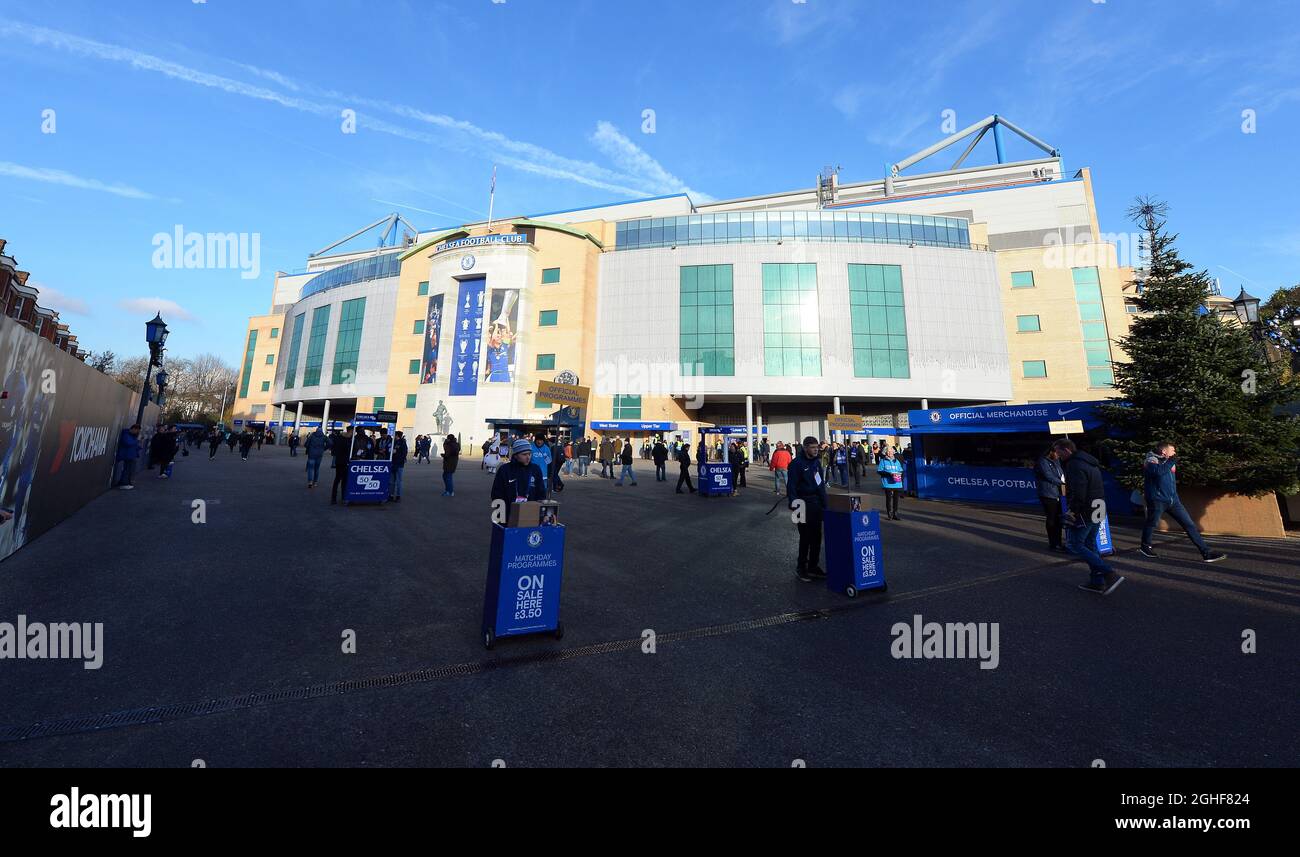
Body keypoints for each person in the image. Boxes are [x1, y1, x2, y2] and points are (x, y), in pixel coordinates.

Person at [1054, 439, 1125, 595]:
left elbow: (1079, 492)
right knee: (1091, 544)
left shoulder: (1074, 465)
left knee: (1074, 544)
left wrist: (1072, 511)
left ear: (1066, 450)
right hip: (1099, 506)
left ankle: (1108, 572)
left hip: (1086, 509)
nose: (1057, 456)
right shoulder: (1090, 462)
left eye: (1058, 452)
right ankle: (1097, 581)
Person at [1139, 442, 1227, 562]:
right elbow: (1158, 473)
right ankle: (1145, 547)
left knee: (1189, 524)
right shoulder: (1151, 460)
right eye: (1173, 450)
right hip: (1157, 500)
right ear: (1164, 451)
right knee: (1152, 523)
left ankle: (1206, 553)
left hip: (1173, 501)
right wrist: (1171, 461)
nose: (1175, 453)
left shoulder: (1170, 462)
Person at [787, 436, 829, 582]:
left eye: (817, 447)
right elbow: (791, 486)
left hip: (815, 504)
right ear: (805, 448)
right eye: (812, 447)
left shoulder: (817, 463)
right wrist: (793, 504)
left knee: (817, 537)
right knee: (805, 537)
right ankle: (801, 568)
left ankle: (813, 566)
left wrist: (825, 505)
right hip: (801, 503)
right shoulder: (796, 464)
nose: (816, 449)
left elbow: (820, 485)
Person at [491, 438, 548, 504]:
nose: (528, 457)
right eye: (524, 454)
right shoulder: (504, 470)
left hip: (531, 510)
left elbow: (541, 493)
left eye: (529, 454)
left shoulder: (535, 469)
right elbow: (496, 493)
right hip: (509, 511)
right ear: (515, 455)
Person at [1035, 446, 1067, 552]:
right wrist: (1063, 483)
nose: (1058, 455)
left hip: (1058, 493)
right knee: (1052, 518)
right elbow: (1048, 476)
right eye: (1056, 453)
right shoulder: (1043, 461)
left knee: (1058, 519)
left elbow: (1061, 474)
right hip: (1048, 493)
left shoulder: (1056, 461)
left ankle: (1058, 542)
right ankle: (1053, 544)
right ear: (1051, 452)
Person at [877, 445, 905, 520]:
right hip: (887, 483)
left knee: (896, 499)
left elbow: (901, 470)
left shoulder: (897, 461)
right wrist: (889, 474)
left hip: (897, 483)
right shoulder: (883, 461)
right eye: (888, 451)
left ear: (893, 452)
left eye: (891, 451)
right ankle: (889, 514)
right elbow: (879, 471)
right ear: (885, 453)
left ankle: (895, 514)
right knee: (888, 499)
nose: (890, 453)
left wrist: (899, 473)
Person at [330, 427, 354, 505]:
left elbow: (333, 449)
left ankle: (335, 498)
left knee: (339, 480)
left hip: (339, 461)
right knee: (342, 480)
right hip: (343, 462)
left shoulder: (339, 438)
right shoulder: (347, 440)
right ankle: (341, 497)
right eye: (353, 432)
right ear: (350, 431)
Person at [113, 424, 141, 489]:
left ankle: (125, 482)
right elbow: (127, 442)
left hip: (131, 455)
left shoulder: (132, 435)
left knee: (129, 469)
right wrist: (137, 441)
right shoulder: (126, 434)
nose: (137, 432)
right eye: (137, 430)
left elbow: (133, 444)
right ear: (133, 429)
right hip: (127, 455)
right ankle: (124, 483)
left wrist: (138, 446)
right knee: (127, 469)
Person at [390, 431, 408, 501]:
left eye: (394, 435)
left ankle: (398, 495)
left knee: (398, 481)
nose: (393, 436)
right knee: (391, 481)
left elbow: (404, 453)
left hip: (399, 464)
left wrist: (399, 461)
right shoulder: (393, 442)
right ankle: (391, 495)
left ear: (397, 435)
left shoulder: (402, 442)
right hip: (393, 463)